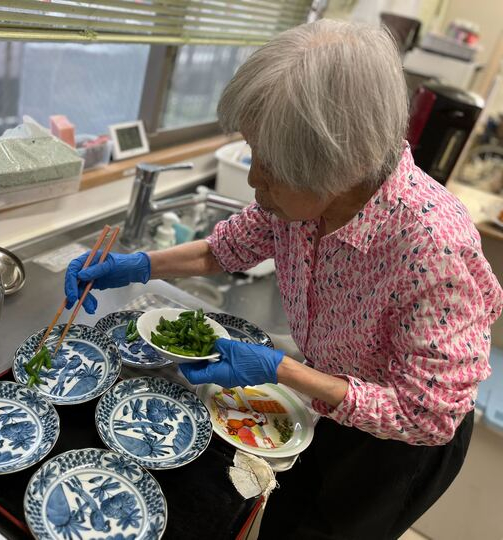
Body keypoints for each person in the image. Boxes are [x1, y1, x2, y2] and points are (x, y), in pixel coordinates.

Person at [64, 20, 503, 539]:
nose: (255, 179)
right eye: (255, 153)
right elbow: (223, 250)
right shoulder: (305, 200)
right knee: (283, 518)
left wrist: (281, 369)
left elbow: (425, 417)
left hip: (394, 446)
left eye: (269, 166)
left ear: (337, 165)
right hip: (329, 397)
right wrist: (136, 263)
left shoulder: (435, 250)